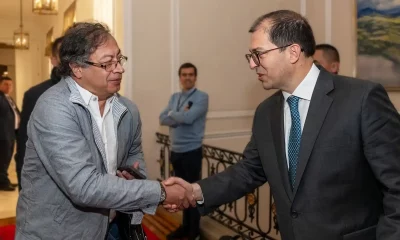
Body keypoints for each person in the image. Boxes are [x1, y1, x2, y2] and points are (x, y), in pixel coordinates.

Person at [164, 10, 400, 240]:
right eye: (250, 56)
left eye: (258, 54)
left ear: (293, 52)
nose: (252, 64)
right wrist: (196, 191)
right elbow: (250, 170)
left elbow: (395, 185)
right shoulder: (266, 112)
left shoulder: (361, 98)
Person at [16, 22, 194, 240]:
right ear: (77, 67)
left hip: (111, 227)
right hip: (58, 232)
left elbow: (135, 159)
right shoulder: (54, 108)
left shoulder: (128, 110)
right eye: (108, 64)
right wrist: (161, 193)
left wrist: (135, 177)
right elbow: (85, 186)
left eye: (119, 59)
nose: (119, 68)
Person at [160, 62, 208, 240]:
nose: (187, 77)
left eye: (191, 74)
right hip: (176, 151)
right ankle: (185, 227)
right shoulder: (175, 97)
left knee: (193, 193)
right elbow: (162, 118)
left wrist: (173, 114)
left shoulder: (202, 97)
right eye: (184, 75)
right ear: (180, 78)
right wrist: (179, 113)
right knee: (181, 195)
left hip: (192, 152)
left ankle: (194, 232)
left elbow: (189, 118)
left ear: (195, 77)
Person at [15, 36, 64, 191]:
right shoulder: (35, 95)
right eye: (65, 53)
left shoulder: (98, 94)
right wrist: (25, 187)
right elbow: (24, 144)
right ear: (54, 60)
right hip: (46, 185)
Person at [0, 75, 20, 191]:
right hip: (2, 135)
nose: (8, 87)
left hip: (11, 134)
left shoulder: (9, 98)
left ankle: (4, 180)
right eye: (5, 84)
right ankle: (3, 182)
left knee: (7, 159)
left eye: (10, 85)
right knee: (2, 160)